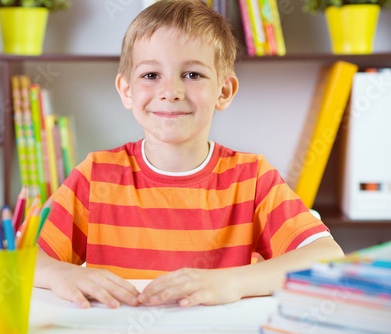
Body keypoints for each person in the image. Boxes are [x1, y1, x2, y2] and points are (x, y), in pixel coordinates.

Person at [33, 0, 344, 309]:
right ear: (127, 91)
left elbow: (326, 255)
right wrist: (60, 273)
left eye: (193, 75)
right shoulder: (96, 175)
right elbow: (20, 254)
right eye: (151, 75)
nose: (171, 91)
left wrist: (233, 282)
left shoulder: (252, 178)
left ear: (224, 92)